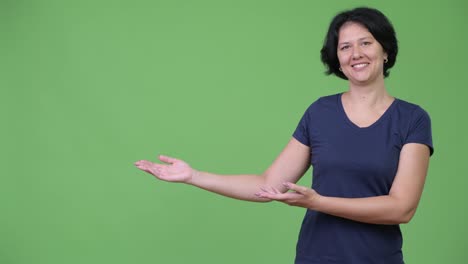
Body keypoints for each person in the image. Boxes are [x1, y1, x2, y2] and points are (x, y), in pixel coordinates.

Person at [135, 7, 433, 264]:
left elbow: (401, 207)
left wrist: (319, 202)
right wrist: (193, 176)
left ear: (385, 50)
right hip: (315, 257)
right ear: (337, 58)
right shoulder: (320, 113)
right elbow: (268, 185)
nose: (356, 54)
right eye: (345, 47)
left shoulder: (412, 119)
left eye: (366, 43)